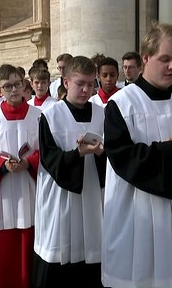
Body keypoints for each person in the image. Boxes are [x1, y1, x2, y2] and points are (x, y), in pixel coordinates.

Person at [102, 23, 172, 287]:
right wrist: (171, 150)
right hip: (137, 210)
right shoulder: (122, 104)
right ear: (146, 58)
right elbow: (121, 157)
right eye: (165, 59)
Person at [33, 56, 106, 287]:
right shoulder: (51, 116)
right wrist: (78, 154)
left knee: (93, 253)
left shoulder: (101, 114)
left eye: (91, 84)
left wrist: (101, 153)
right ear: (66, 82)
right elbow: (50, 159)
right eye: (80, 84)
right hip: (61, 199)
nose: (86, 90)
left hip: (94, 195)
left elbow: (112, 156)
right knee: (60, 256)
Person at [0, 64, 41, 288]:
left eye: (17, 84)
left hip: (32, 193)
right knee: (5, 259)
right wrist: (2, 166)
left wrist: (29, 162)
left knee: (31, 256)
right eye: (7, 86)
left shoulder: (39, 116)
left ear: (24, 84)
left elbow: (49, 152)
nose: (14, 90)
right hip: (3, 198)